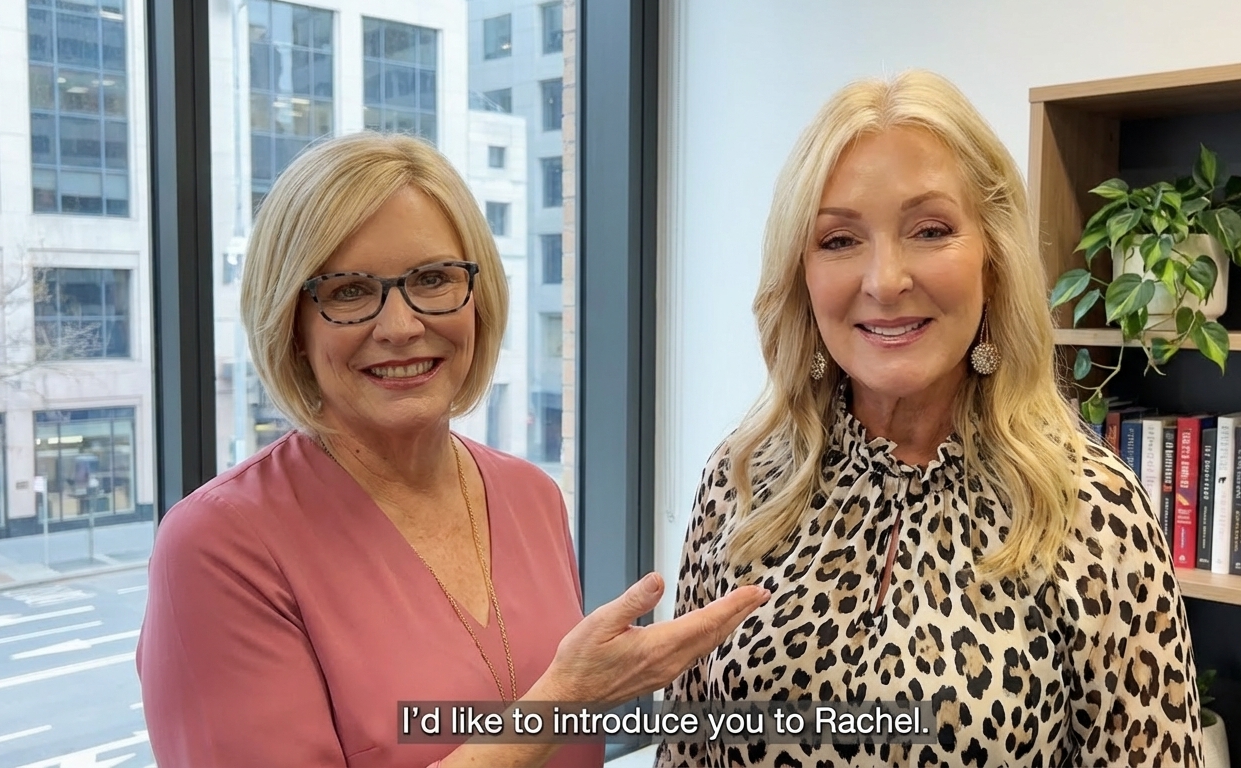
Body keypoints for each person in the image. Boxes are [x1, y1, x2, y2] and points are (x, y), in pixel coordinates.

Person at [136, 132, 769, 768]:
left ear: (478, 298)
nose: (401, 326)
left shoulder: (531, 496)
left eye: (433, 279)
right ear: (293, 325)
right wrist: (566, 699)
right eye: (349, 291)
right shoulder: (218, 545)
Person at [657, 71, 1202, 767]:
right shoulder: (740, 482)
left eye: (930, 230)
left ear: (993, 258)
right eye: (839, 240)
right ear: (801, 274)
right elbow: (685, 751)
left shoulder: (1090, 508)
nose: (885, 281)